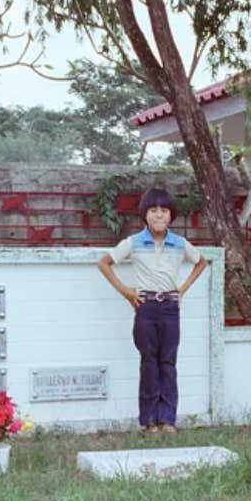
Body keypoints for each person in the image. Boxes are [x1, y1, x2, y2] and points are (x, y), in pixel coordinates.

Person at [97, 187, 208, 436]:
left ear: (171, 215)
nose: (159, 215)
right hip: (145, 308)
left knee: (168, 363)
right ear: (145, 215)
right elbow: (104, 263)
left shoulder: (179, 244)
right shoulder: (134, 243)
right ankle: (148, 422)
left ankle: (168, 420)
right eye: (154, 210)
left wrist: (183, 289)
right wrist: (126, 292)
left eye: (164, 210)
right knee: (149, 363)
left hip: (170, 308)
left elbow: (201, 262)